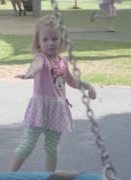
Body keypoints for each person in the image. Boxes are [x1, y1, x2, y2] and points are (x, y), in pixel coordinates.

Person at [10, 15, 97, 172]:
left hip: (57, 110)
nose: (50, 43)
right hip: (40, 108)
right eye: (45, 39)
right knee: (27, 145)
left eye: (54, 38)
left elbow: (71, 81)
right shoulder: (41, 57)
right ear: (39, 42)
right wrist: (29, 73)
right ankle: (9, 176)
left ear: (61, 40)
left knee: (52, 149)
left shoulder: (62, 62)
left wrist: (88, 86)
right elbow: (37, 65)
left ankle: (48, 178)